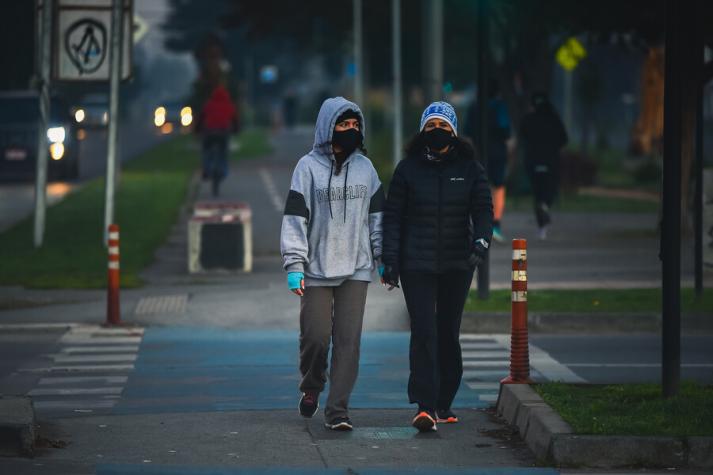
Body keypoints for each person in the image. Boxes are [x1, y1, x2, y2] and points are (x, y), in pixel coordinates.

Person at [382, 101, 493, 432]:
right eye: (430, 127)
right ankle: (424, 406)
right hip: (416, 263)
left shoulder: (472, 169)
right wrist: (390, 261)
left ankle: (444, 400)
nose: (436, 132)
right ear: (421, 132)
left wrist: (481, 242)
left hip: (458, 264)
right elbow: (393, 218)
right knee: (424, 331)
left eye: (443, 127)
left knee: (447, 332)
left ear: (454, 132)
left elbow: (484, 211)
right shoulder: (407, 170)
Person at [280, 97, 384, 431]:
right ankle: (312, 386)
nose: (350, 131)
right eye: (343, 125)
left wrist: (384, 260)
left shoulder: (366, 169)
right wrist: (294, 264)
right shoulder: (307, 168)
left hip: (356, 267)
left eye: (355, 125)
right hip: (316, 269)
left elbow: (377, 218)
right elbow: (295, 218)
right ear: (328, 128)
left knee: (348, 341)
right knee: (316, 337)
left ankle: (338, 410)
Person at [464, 78, 512, 242]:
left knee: (477, 187)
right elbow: (507, 132)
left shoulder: (473, 107)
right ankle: (495, 224)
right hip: (498, 151)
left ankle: (476, 223)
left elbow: (467, 133)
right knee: (498, 187)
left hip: (478, 152)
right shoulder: (499, 107)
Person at [519, 92, 568, 239]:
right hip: (551, 161)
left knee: (538, 192)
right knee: (549, 189)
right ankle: (545, 207)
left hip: (533, 161)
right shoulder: (554, 120)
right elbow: (564, 139)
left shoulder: (528, 120)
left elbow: (523, 136)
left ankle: (542, 227)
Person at [195, 84, 239, 197]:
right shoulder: (229, 105)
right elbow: (235, 120)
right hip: (223, 134)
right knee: (223, 154)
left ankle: (206, 169)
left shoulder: (209, 104)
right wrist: (236, 129)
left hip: (209, 133)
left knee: (206, 151)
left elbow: (201, 118)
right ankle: (223, 171)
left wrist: (197, 129)